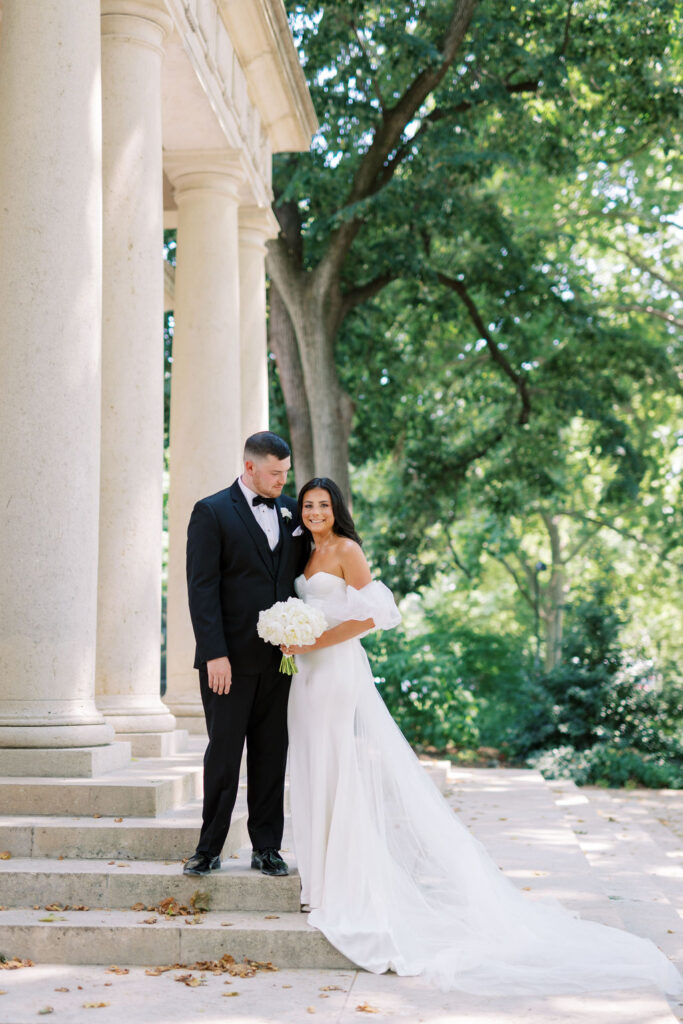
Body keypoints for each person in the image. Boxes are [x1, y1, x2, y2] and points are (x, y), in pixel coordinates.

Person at [281, 476, 682, 996]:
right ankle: (318, 880)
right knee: (313, 768)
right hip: (305, 675)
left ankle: (343, 887)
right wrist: (292, 638)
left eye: (323, 505)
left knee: (337, 768)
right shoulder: (304, 555)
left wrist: (314, 638)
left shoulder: (346, 550)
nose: (315, 512)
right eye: (308, 505)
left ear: (337, 510)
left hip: (335, 671)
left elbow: (374, 616)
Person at [183, 432, 305, 878]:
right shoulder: (211, 511)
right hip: (227, 664)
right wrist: (214, 654)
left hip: (281, 661)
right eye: (275, 473)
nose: (281, 481)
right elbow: (202, 589)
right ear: (250, 467)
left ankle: (267, 848)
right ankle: (208, 847)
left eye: (285, 473)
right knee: (224, 755)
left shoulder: (292, 511)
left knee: (272, 755)